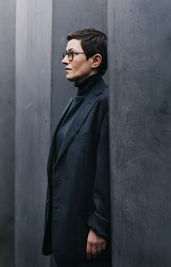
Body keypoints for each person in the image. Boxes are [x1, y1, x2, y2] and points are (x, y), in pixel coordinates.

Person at [42, 28, 111, 267]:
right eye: (65, 53)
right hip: (66, 230)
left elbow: (104, 168)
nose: (64, 60)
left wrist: (99, 226)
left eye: (71, 54)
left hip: (87, 236)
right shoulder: (74, 101)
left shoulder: (104, 101)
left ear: (95, 60)